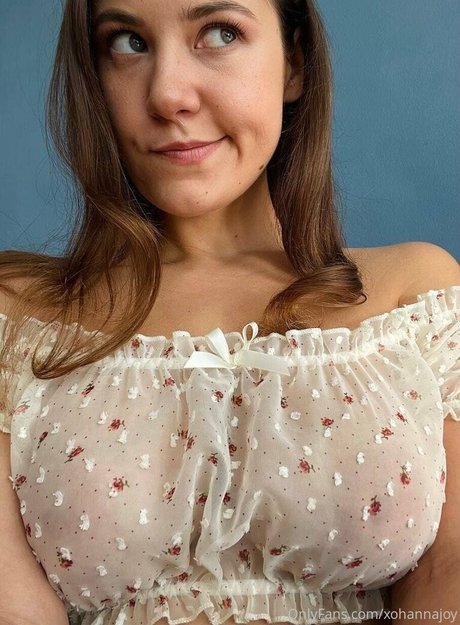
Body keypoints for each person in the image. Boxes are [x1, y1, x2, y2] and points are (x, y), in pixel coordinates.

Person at [0, 0, 459, 624]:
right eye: (128, 42)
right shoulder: (18, 321)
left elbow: (447, 567)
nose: (167, 94)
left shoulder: (417, 298)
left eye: (219, 33)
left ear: (294, 62)